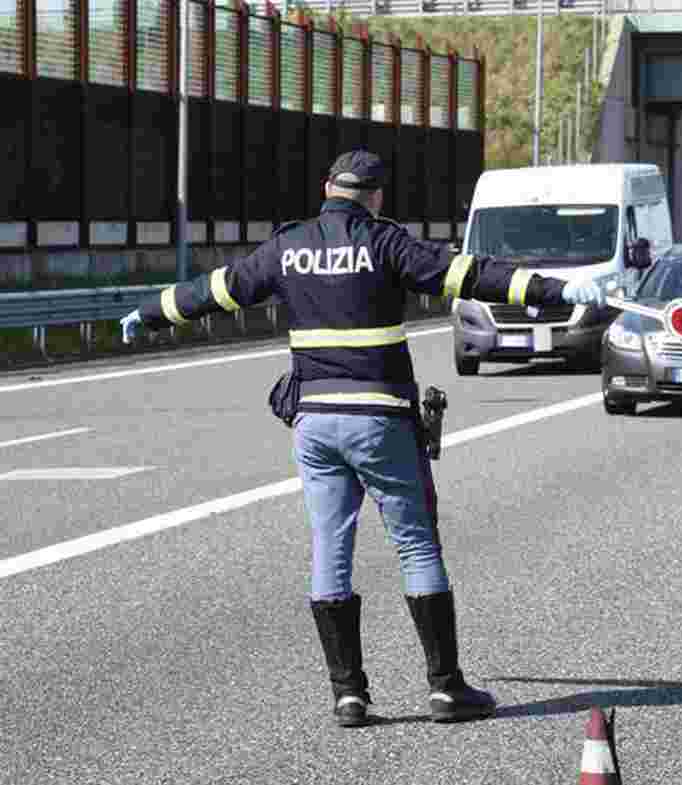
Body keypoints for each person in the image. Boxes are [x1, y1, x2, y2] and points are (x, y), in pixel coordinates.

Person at [118, 151, 607, 728]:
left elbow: (219, 289)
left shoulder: (287, 246)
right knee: (417, 545)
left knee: (331, 548)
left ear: (327, 188)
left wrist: (149, 312)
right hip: (378, 418)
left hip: (314, 423)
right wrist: (560, 290)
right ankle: (445, 689)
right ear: (375, 197)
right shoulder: (386, 243)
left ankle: (349, 696)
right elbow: (471, 275)